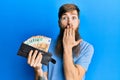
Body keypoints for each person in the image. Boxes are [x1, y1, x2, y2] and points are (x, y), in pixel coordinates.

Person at [27, 4, 94, 80]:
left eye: (73, 18)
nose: (69, 23)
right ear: (59, 23)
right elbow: (42, 78)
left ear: (78, 22)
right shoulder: (47, 46)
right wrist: (38, 70)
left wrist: (67, 47)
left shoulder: (87, 48)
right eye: (64, 18)